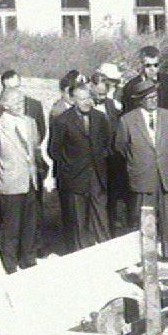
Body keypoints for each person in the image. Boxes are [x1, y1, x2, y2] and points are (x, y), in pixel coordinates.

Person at [116, 80, 168, 264]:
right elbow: (120, 147)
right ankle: (147, 255)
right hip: (143, 176)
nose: (153, 101)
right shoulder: (127, 120)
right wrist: (139, 161)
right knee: (145, 217)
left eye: (155, 97)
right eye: (149, 98)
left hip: (166, 175)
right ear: (140, 101)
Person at [0, 88, 45, 273]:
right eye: (16, 103)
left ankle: (28, 258)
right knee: (12, 226)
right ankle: (10, 262)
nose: (21, 106)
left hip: (30, 180)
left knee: (30, 223)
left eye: (22, 102)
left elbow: (34, 148)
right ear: (4, 105)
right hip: (10, 183)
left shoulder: (30, 123)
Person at [49, 84, 111, 251]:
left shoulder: (100, 118)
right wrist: (71, 166)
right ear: (74, 100)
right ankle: (82, 255)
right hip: (74, 178)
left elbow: (106, 143)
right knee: (78, 219)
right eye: (82, 99)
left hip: (96, 175)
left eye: (88, 98)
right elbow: (53, 150)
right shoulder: (62, 120)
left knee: (101, 216)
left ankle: (107, 252)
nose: (86, 102)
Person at [92, 75, 131, 234]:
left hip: (112, 157)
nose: (101, 97)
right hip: (95, 158)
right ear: (92, 88)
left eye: (104, 94)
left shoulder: (112, 106)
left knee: (114, 194)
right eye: (98, 94)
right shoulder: (87, 106)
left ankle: (113, 226)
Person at [0, 69, 47, 144]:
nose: (13, 91)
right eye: (9, 88)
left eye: (16, 87)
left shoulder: (35, 105)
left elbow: (41, 132)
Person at [121, 46, 168, 115]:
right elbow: (128, 112)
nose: (152, 69)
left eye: (156, 65)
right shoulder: (130, 86)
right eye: (148, 65)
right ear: (141, 64)